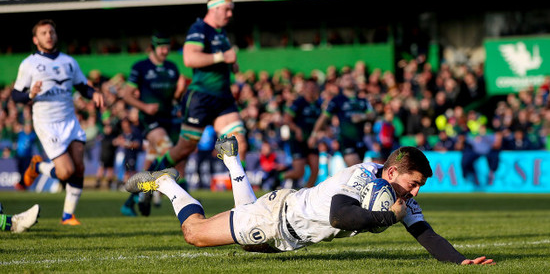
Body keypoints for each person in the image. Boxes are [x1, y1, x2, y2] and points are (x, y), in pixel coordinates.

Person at [125, 136, 494, 265]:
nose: (415, 194)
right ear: (393, 172)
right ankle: (165, 184)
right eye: (413, 185)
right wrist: (387, 219)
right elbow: (339, 216)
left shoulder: (399, 195)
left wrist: (461, 261)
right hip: (276, 218)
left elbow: (425, 233)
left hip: (288, 231)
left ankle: (232, 160)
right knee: (194, 233)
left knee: (248, 240)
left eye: (419, 189)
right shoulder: (363, 174)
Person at [149, 0, 248, 187]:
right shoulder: (199, 28)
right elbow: (190, 58)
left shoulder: (221, 33)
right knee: (183, 149)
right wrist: (222, 58)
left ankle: (243, 203)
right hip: (201, 98)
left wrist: (232, 66)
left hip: (223, 100)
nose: (230, 14)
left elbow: (224, 59)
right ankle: (149, 183)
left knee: (239, 145)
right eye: (227, 10)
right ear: (215, 8)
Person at [11, 19, 104, 225]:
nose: (49, 36)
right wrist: (30, 94)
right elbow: (16, 96)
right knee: (66, 172)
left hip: (69, 120)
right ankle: (37, 167)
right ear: (36, 40)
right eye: (43, 33)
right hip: (46, 123)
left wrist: (94, 93)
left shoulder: (68, 62)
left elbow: (81, 86)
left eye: (51, 32)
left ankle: (68, 215)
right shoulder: (29, 63)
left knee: (79, 167)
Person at [119, 32, 186, 215]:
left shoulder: (172, 67)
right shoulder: (140, 67)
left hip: (170, 119)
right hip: (149, 119)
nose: (165, 51)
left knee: (169, 161)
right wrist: (145, 107)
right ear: (152, 48)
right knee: (166, 148)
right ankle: (185, 196)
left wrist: (179, 93)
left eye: (167, 47)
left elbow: (172, 97)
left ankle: (137, 195)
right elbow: (126, 95)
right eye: (161, 48)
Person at [309, 71, 374, 167]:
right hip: (346, 140)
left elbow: (372, 114)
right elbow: (323, 117)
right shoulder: (337, 100)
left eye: (351, 78)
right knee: (357, 170)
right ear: (341, 83)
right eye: (346, 79)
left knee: (359, 172)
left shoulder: (362, 100)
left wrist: (362, 117)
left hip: (361, 140)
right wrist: (314, 134)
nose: (350, 81)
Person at [283, 78, 322, 187]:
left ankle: (305, 193)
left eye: (314, 87)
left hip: (311, 140)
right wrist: (297, 129)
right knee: (299, 172)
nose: (311, 90)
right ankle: (278, 177)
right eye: (309, 87)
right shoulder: (299, 103)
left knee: (315, 171)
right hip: (298, 140)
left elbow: (321, 122)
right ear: (304, 88)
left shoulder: (319, 104)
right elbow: (286, 119)